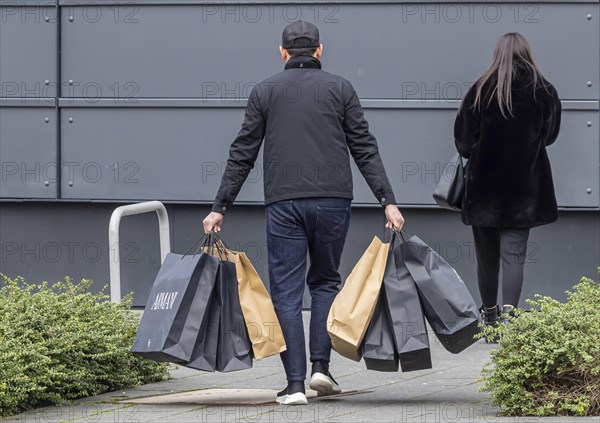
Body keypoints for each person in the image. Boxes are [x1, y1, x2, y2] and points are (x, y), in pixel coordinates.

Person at [202, 21, 404, 404]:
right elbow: (365, 147)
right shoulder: (340, 88)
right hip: (333, 201)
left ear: (282, 52)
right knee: (326, 281)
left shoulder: (265, 91)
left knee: (286, 292)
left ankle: (294, 385)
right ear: (319, 51)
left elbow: (242, 152)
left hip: (284, 203)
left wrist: (219, 206)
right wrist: (387, 200)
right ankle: (320, 369)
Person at [454, 33, 561, 333]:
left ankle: (490, 318)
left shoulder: (478, 90)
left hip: (484, 191)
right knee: (514, 255)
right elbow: (549, 136)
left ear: (497, 54)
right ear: (528, 52)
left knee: (486, 258)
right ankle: (511, 321)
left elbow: (463, 143)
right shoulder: (545, 90)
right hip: (524, 190)